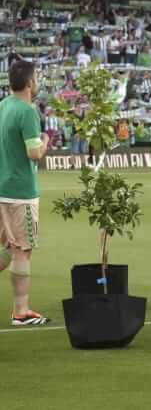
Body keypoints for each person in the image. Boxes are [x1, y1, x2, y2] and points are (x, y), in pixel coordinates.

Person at [0, 59, 49, 326]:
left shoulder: (3, 105)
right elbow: (33, 153)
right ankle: (21, 312)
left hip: (1, 187)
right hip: (21, 191)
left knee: (8, 247)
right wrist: (45, 142)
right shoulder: (27, 111)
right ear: (30, 82)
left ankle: (21, 310)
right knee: (22, 251)